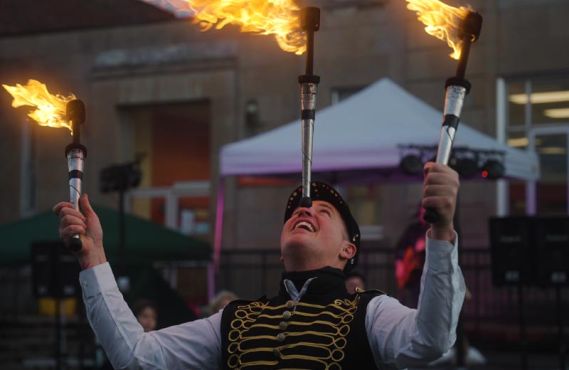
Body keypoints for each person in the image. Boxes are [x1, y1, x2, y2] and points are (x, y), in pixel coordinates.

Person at [54, 162, 465, 369]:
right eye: (298, 210)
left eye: (323, 211)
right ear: (280, 249)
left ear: (347, 250)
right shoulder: (234, 320)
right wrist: (94, 257)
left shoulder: (372, 312)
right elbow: (136, 357)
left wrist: (442, 230)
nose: (306, 210)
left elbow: (431, 339)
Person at [394, 206, 429, 308]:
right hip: (414, 275)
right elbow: (400, 248)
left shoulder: (437, 230)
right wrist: (399, 264)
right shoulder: (413, 229)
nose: (423, 214)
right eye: (422, 212)